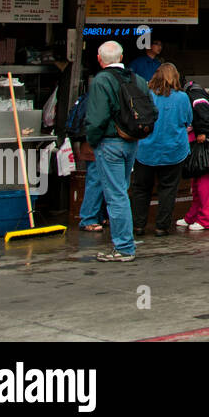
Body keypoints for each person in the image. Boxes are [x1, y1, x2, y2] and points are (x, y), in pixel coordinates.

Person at [83, 40, 150, 261]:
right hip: (132, 141)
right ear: (121, 58)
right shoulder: (137, 79)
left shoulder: (101, 81)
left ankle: (124, 247)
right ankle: (126, 239)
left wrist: (92, 141)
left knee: (116, 195)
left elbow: (96, 118)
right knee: (122, 191)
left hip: (109, 141)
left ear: (99, 59)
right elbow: (151, 109)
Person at [129, 62, 191, 237]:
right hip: (173, 150)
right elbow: (187, 120)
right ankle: (161, 227)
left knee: (141, 188)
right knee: (168, 189)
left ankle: (138, 225)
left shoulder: (146, 95)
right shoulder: (182, 97)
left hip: (145, 149)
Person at [179, 81, 209, 232]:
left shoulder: (194, 95)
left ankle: (207, 220)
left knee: (205, 185)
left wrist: (202, 132)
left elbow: (205, 115)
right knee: (198, 184)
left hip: (205, 143)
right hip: (201, 143)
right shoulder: (195, 94)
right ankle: (194, 216)